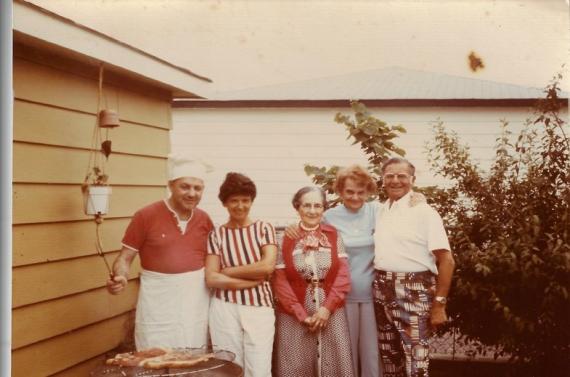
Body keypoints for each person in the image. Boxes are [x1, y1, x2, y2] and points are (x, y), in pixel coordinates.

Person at [106, 154, 213, 350]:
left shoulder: (205, 219)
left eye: (197, 188)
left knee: (192, 357)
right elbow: (124, 258)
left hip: (194, 303)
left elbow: (214, 262)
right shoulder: (146, 215)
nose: (192, 193)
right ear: (170, 185)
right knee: (154, 356)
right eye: (185, 186)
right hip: (157, 302)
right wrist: (119, 276)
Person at [372, 157, 455, 377]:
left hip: (414, 289)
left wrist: (439, 304)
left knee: (416, 356)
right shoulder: (380, 211)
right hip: (381, 288)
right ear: (382, 180)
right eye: (390, 176)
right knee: (388, 354)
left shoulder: (424, 212)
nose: (395, 180)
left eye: (402, 176)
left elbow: (447, 260)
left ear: (413, 180)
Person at [272, 186, 354, 377]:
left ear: (324, 208)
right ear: (297, 207)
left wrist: (327, 309)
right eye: (306, 205)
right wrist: (301, 315)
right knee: (295, 363)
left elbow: (343, 276)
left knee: (334, 362)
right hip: (294, 312)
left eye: (317, 205)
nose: (312, 210)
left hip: (330, 310)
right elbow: (281, 281)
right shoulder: (285, 238)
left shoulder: (333, 235)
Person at [205, 172, 277, 377]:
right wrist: (251, 282)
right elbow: (211, 278)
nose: (240, 206)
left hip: (259, 307)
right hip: (224, 307)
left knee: (260, 366)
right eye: (233, 201)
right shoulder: (216, 234)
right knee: (229, 365)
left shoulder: (264, 228)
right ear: (225, 203)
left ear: (252, 201)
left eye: (245, 200)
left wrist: (227, 271)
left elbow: (267, 266)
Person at [324, 165, 381, 377]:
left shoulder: (377, 210)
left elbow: (404, 212)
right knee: (345, 354)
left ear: (368, 191)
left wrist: (418, 197)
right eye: (349, 191)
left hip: (373, 295)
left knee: (371, 354)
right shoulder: (329, 216)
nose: (355, 197)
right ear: (340, 191)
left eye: (361, 192)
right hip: (341, 295)